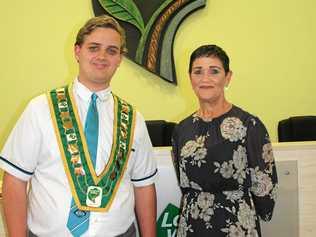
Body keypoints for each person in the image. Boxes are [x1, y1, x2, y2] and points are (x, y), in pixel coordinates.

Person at [0, 15, 157, 237]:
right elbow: (14, 180)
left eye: (112, 50)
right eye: (94, 47)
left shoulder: (133, 119)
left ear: (120, 59)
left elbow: (144, 187)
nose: (102, 56)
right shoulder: (40, 109)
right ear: (77, 51)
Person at [171, 44, 278, 237]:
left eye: (214, 71)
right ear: (190, 78)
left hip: (236, 224)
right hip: (192, 225)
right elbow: (182, 181)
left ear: (227, 77)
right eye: (198, 71)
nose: (205, 79)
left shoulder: (249, 125)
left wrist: (262, 211)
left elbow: (265, 184)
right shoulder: (181, 130)